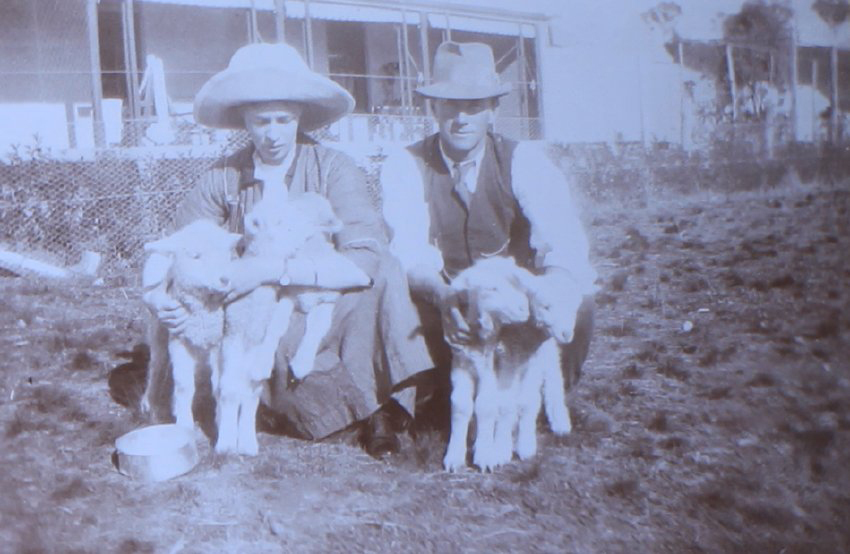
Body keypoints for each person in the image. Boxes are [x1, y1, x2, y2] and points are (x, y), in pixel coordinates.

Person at [143, 42, 432, 457]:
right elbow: (176, 242)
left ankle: (379, 412)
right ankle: (281, 403)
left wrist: (272, 270)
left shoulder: (333, 168)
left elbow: (365, 254)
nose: (273, 133)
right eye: (262, 121)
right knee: (259, 355)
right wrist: (154, 294)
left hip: (321, 305)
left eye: (284, 119)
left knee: (383, 270)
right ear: (244, 120)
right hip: (253, 320)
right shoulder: (225, 176)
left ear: (300, 117)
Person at [380, 41, 597, 410]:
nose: (461, 119)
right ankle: (438, 400)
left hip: (517, 301)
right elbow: (409, 250)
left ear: (493, 110)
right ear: (433, 108)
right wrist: (444, 295)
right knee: (393, 295)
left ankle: (543, 399)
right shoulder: (405, 164)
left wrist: (547, 294)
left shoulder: (524, 160)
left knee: (580, 296)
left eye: (474, 106)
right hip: (445, 302)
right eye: (450, 105)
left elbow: (564, 240)